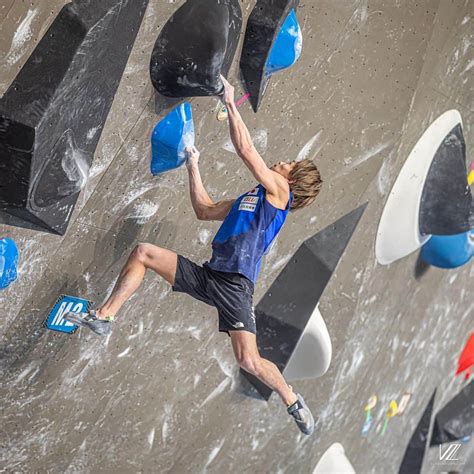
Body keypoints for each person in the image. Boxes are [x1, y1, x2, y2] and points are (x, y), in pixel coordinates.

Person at [65, 76, 323, 435]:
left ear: (293, 181)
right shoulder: (253, 200)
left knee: (248, 359)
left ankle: (292, 399)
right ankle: (104, 318)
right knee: (143, 253)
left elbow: (248, 151)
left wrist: (229, 102)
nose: (284, 161)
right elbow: (204, 209)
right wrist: (192, 164)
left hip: (235, 286)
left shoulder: (280, 194)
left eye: (291, 163)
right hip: (211, 275)